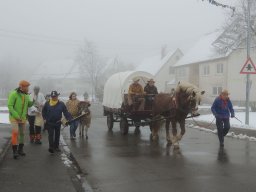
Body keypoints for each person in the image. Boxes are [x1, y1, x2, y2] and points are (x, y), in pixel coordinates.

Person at [7, 80, 34, 159]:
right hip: (14, 118)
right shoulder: (14, 94)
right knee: (15, 133)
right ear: (22, 87)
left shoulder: (26, 95)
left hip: (23, 118)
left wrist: (33, 100)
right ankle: (15, 151)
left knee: (22, 134)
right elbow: (10, 106)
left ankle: (20, 149)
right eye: (27, 87)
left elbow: (29, 105)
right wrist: (16, 115)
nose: (28, 88)